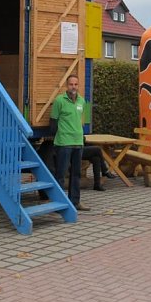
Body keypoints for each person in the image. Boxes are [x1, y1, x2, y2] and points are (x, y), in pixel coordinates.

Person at [50, 75, 89, 211]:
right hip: (64, 143)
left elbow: (83, 121)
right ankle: (59, 203)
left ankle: (75, 202)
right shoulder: (59, 100)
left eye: (76, 84)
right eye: (71, 84)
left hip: (78, 142)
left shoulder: (82, 101)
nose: (73, 86)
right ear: (67, 86)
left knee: (76, 174)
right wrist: (59, 136)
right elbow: (53, 121)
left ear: (78, 86)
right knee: (61, 174)